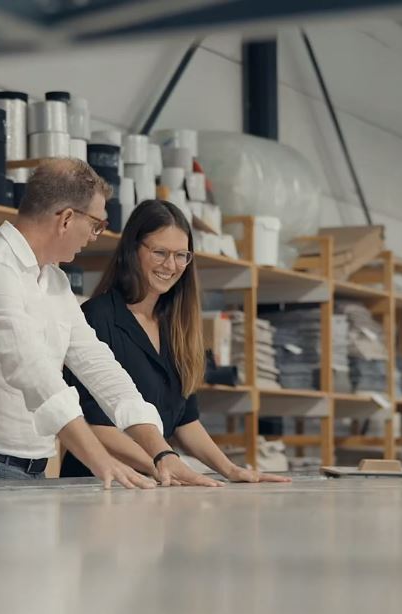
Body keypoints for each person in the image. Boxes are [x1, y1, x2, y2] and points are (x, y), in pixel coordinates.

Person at [0, 158, 221, 488]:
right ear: (66, 219)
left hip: (30, 469)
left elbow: (101, 368)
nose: (94, 237)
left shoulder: (54, 282)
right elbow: (38, 380)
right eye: (95, 225)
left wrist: (162, 454)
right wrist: (102, 461)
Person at [60, 199, 292, 484]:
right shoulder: (97, 318)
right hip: (97, 483)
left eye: (181, 255)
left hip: (157, 483)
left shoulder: (176, 326)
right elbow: (92, 424)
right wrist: (163, 462)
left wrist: (230, 469)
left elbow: (185, 422)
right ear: (133, 250)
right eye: (160, 252)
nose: (171, 265)